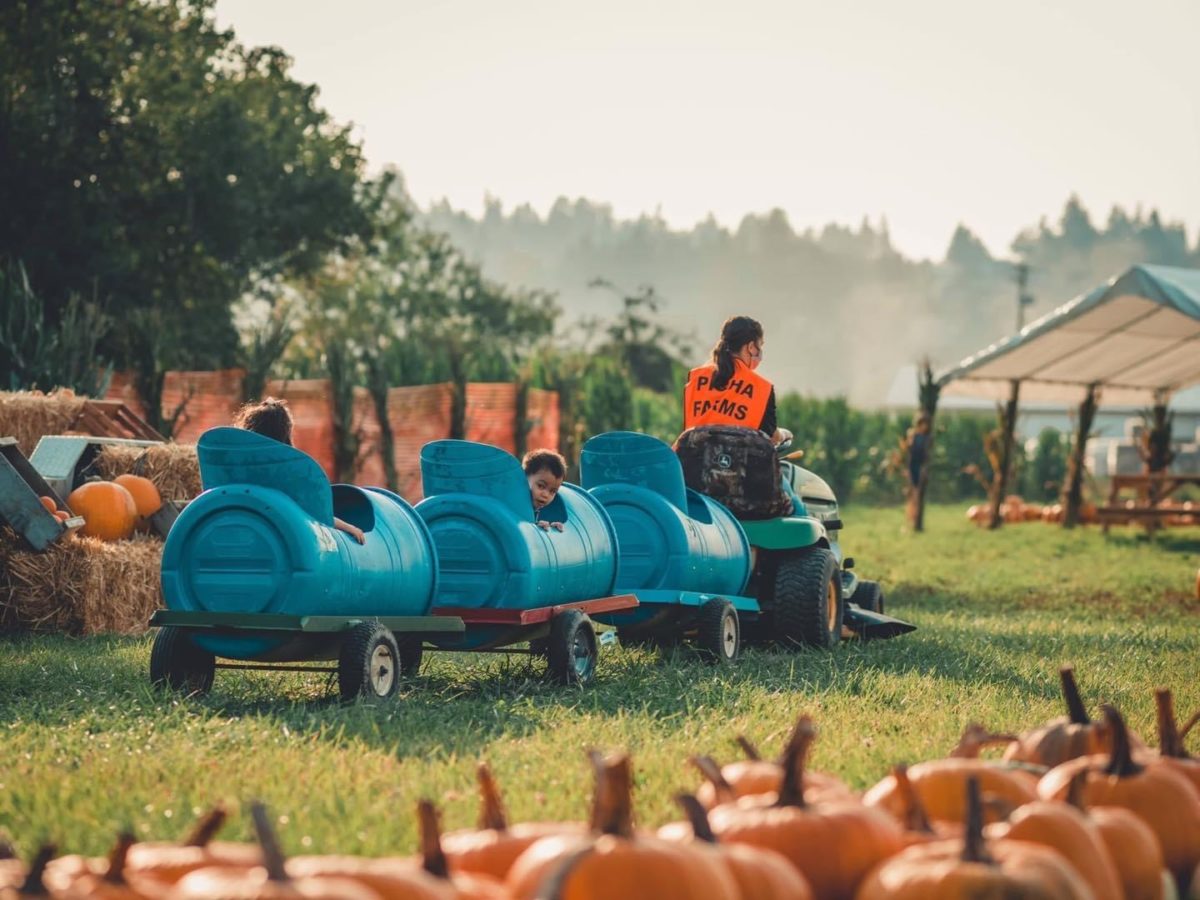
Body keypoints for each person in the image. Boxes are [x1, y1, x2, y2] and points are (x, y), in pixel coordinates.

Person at [232, 397, 366, 544]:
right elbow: (317, 514)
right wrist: (349, 528)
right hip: (280, 542)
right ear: (285, 434)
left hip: (234, 532)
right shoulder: (290, 473)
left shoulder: (233, 468)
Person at [683, 315, 783, 444]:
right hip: (742, 456)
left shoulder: (695, 377)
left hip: (694, 455)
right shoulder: (762, 388)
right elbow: (771, 436)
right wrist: (784, 435)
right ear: (751, 347)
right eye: (760, 345)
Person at [523, 447, 566, 532]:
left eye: (552, 491)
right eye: (541, 486)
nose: (546, 495)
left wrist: (551, 527)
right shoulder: (514, 505)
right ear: (524, 478)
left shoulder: (534, 510)